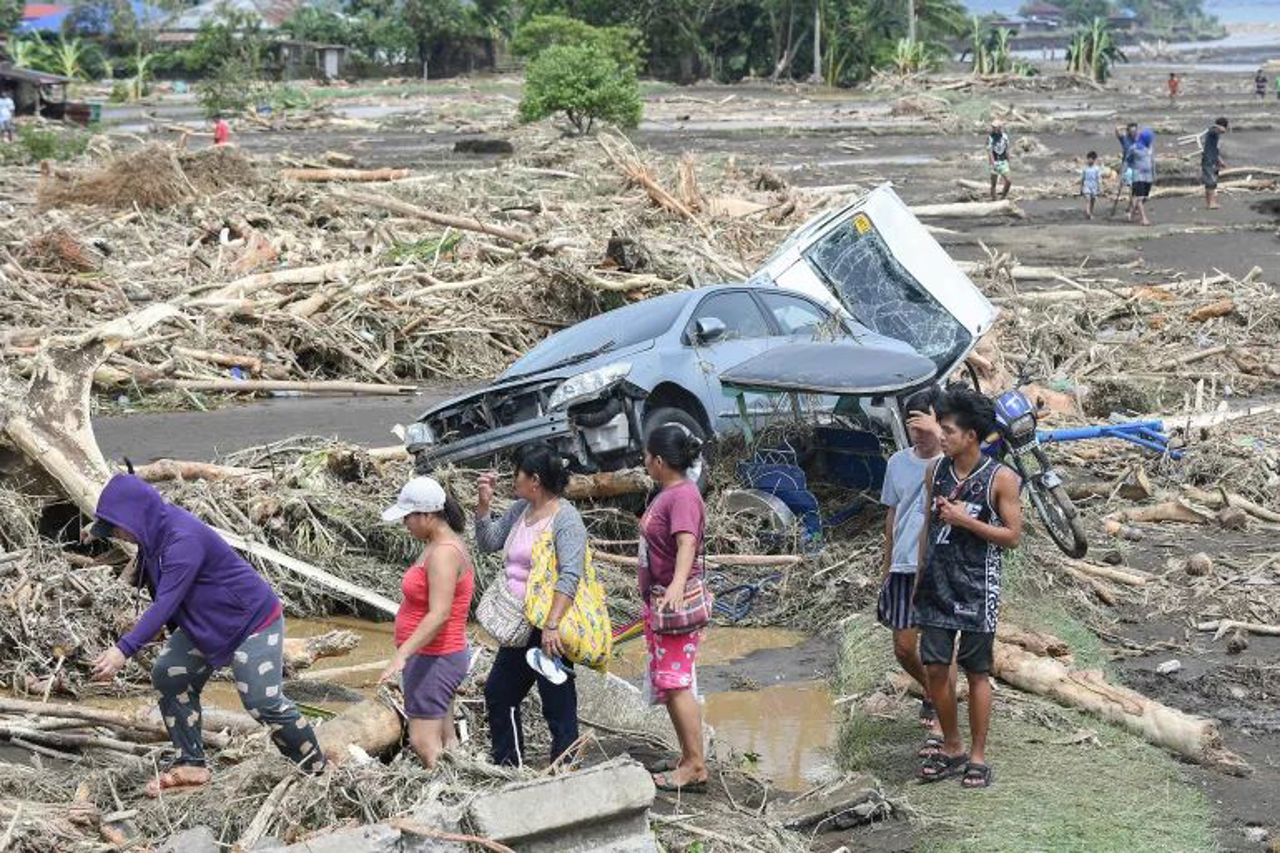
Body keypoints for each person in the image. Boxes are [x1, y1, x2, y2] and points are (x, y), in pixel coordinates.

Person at [87, 475, 325, 795]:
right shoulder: (152, 537)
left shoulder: (181, 539)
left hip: (252, 621)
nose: (117, 534)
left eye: (116, 527)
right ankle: (191, 763)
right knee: (170, 674)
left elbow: (165, 604)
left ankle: (316, 770)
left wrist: (122, 651)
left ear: (135, 516)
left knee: (261, 700)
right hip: (206, 624)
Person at [912, 389, 1023, 789]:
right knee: (937, 668)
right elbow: (927, 527)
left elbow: (1012, 536)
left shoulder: (1001, 478)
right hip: (937, 584)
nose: (940, 436)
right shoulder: (935, 472)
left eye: (948, 430)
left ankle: (977, 756)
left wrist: (966, 521)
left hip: (978, 587)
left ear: (971, 436)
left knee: (977, 671)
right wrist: (918, 577)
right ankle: (952, 746)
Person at [476, 442, 587, 767]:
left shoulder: (565, 519)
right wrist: (483, 507)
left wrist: (552, 624)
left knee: (557, 700)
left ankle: (565, 767)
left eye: (517, 474)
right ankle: (509, 764)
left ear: (534, 480)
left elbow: (570, 574)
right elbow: (488, 542)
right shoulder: (520, 510)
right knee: (499, 693)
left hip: (549, 625)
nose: (513, 480)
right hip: (519, 623)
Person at [379, 476, 475, 768]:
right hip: (435, 656)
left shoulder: (444, 553)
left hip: (436, 657)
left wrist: (402, 654)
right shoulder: (437, 544)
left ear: (428, 515)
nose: (405, 523)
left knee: (423, 741)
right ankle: (458, 787)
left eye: (408, 516)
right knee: (446, 740)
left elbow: (439, 613)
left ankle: (444, 801)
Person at [639, 425, 709, 793]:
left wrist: (677, 586)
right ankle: (688, 756)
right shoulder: (668, 493)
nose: (645, 462)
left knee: (676, 683)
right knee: (670, 682)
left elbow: (686, 543)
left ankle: (695, 764)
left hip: (673, 603)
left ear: (660, 461)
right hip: (661, 600)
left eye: (647, 456)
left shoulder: (681, 496)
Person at [877, 389, 947, 755]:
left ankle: (941, 723)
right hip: (903, 566)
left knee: (939, 649)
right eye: (912, 424)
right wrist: (887, 564)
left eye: (925, 423)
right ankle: (935, 693)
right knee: (904, 649)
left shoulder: (951, 464)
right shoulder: (897, 463)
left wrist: (938, 435)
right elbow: (892, 515)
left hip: (938, 569)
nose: (917, 432)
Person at [1129, 127, 1155, 226]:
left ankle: (1133, 211)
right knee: (1139, 197)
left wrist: (1154, 173)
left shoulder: (1150, 148)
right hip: (1138, 174)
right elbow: (1129, 159)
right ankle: (1143, 218)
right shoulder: (1134, 148)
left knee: (1145, 197)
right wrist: (1127, 173)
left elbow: (1152, 161)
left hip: (1148, 176)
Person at [1202, 117, 1228, 210]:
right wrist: (1220, 127)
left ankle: (1212, 202)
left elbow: (1215, 150)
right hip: (1208, 160)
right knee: (1210, 181)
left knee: (1213, 182)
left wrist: (1220, 161)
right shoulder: (1212, 132)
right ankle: (1211, 203)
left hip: (1213, 160)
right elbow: (1214, 128)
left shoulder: (1216, 136)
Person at [1114, 122, 1138, 214]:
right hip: (1127, 165)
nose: (1134, 133)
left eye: (1135, 131)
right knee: (1130, 187)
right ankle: (1131, 206)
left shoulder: (1137, 141)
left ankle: (1131, 206)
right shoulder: (1125, 139)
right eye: (1132, 131)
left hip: (1136, 165)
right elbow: (1117, 130)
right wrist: (1125, 126)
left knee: (1135, 188)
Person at [986, 119, 1011, 201]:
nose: (993, 129)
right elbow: (990, 152)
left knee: (1008, 181)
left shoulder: (1005, 137)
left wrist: (1008, 161)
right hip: (995, 162)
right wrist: (993, 164)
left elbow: (1007, 149)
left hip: (1003, 162)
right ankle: (994, 200)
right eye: (993, 127)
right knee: (993, 184)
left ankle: (1003, 197)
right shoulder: (990, 138)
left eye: (995, 127)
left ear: (1000, 127)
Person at [1080, 150, 1103, 220]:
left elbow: (1098, 178)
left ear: (1094, 160)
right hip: (1086, 185)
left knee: (1093, 200)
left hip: (1094, 186)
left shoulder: (1097, 168)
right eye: (1088, 159)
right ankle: (1088, 213)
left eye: (1091, 159)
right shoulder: (1085, 168)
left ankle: (1090, 212)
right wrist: (1081, 188)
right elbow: (1082, 178)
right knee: (1088, 199)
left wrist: (1100, 188)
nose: (1089, 160)